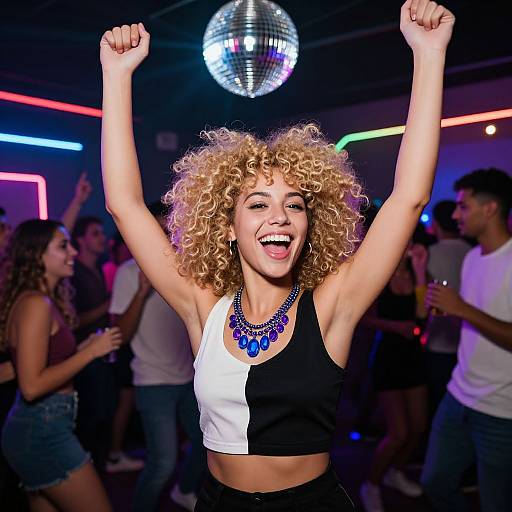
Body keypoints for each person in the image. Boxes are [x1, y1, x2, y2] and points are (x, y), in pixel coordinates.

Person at [100, 1, 454, 510]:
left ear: (310, 226)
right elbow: (125, 205)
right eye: (258, 204)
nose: (280, 217)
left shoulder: (333, 304)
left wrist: (429, 55)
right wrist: (117, 78)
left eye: (295, 205)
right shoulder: (204, 305)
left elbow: (408, 198)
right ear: (227, 227)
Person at [0, 219, 122, 512]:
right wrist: (90, 353)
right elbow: (31, 386)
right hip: (41, 429)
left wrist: (82, 348)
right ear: (37, 254)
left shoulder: (40, 301)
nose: (73, 253)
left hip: (40, 426)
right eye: (63, 246)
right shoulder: (36, 304)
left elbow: (30, 365)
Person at [421, 168, 512, 512]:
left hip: (501, 410)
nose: (455, 214)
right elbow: (478, 320)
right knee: (434, 483)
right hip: (457, 396)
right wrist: (451, 311)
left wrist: (463, 309)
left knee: (496, 503)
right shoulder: (473, 258)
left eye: (463, 206)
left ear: (489, 209)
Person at [109, 201, 206, 511]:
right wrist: (142, 292)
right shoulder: (128, 273)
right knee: (163, 463)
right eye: (161, 231)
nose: (167, 238)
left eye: (171, 231)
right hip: (153, 382)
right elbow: (119, 336)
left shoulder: (188, 269)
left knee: (207, 446)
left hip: (191, 379)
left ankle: (185, 490)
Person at [359, 241, 428, 512]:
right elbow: (362, 318)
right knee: (398, 433)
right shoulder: (380, 275)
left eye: (412, 239)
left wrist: (421, 272)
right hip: (387, 357)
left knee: (419, 427)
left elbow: (423, 315)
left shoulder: (417, 274)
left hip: (413, 357)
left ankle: (395, 472)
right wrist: (393, 326)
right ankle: (371, 484)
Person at [71, 216, 116, 470]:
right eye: (95, 233)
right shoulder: (74, 273)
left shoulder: (97, 269)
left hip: (102, 352)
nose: (102, 237)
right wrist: (107, 305)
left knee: (103, 414)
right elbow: (73, 322)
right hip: (83, 356)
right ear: (81, 240)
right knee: (90, 418)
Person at [424, 200, 471, 417]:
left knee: (435, 407)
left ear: (437, 224)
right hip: (466, 344)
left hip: (436, 342)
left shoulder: (428, 254)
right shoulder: (472, 253)